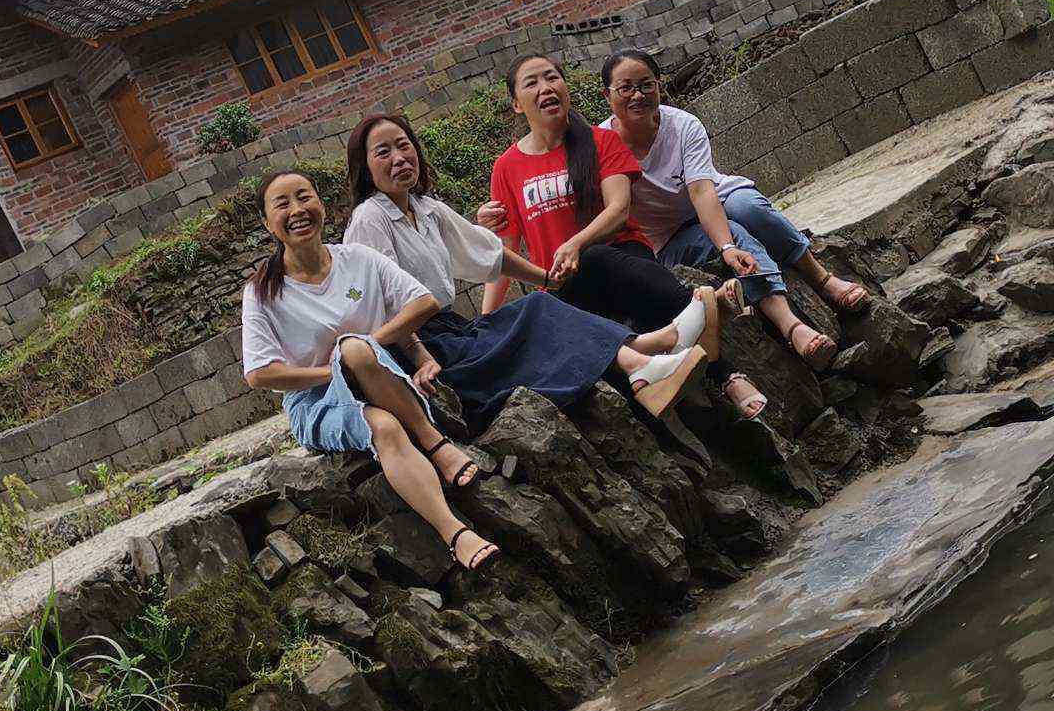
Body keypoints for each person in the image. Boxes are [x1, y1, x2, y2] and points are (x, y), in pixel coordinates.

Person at [340, 111, 713, 429]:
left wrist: (548, 280)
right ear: (365, 168)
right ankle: (646, 354)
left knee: (539, 305)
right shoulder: (370, 219)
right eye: (383, 152)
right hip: (422, 349)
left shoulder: (426, 208)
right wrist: (420, 357)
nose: (399, 158)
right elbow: (383, 307)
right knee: (535, 316)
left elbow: (491, 253)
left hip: (451, 331)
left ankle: (643, 357)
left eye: (404, 145)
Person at [237, 169, 502, 571]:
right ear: (266, 221)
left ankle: (432, 442)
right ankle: (456, 534)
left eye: (304, 197)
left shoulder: (356, 259)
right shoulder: (262, 291)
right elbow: (260, 374)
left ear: (321, 204)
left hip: (379, 371)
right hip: (316, 402)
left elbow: (424, 302)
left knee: (357, 351)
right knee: (385, 426)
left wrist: (368, 349)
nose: (297, 210)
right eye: (282, 204)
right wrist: (337, 371)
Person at [484, 54, 771, 419]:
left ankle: (729, 377)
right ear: (516, 103)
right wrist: (487, 321)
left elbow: (619, 209)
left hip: (623, 258)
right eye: (532, 82)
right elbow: (504, 252)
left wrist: (575, 243)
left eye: (552, 77)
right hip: (564, 285)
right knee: (570, 311)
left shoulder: (601, 141)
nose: (546, 88)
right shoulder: (506, 167)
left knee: (599, 261)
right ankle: (707, 313)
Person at [598, 46, 871, 369]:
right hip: (670, 236)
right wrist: (729, 244)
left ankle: (822, 278)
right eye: (625, 88)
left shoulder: (683, 125)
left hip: (716, 198)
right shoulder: (601, 145)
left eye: (646, 85)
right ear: (607, 95)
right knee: (738, 234)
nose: (637, 95)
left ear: (659, 85)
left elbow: (701, 190)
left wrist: (724, 245)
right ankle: (791, 325)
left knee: (749, 210)